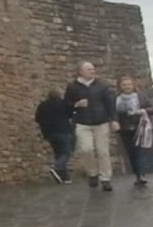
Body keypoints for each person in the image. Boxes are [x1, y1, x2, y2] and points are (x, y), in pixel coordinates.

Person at [64, 62, 118, 192]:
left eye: (93, 69)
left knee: (102, 151)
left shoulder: (102, 85)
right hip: (82, 123)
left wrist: (114, 120)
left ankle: (105, 178)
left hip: (101, 122)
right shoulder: (72, 87)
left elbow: (110, 104)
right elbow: (66, 105)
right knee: (85, 149)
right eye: (89, 69)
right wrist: (76, 104)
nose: (92, 71)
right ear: (80, 71)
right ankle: (92, 173)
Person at [114, 77, 150, 191]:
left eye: (129, 84)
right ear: (120, 87)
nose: (127, 87)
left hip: (140, 127)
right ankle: (137, 174)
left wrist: (143, 111)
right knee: (131, 152)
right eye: (124, 85)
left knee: (140, 150)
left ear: (133, 85)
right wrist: (115, 122)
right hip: (124, 129)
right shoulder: (116, 99)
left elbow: (150, 108)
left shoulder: (141, 96)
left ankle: (141, 174)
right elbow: (113, 113)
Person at [34, 89, 75, 184]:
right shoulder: (63, 104)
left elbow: (37, 119)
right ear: (59, 95)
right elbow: (71, 115)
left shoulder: (43, 105)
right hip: (62, 131)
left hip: (50, 134)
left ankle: (65, 178)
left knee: (59, 154)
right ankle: (56, 167)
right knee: (66, 153)